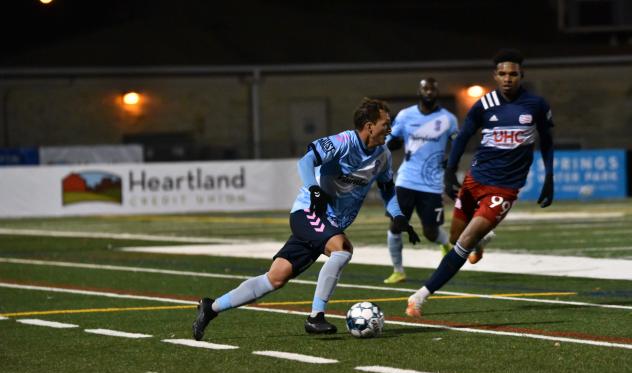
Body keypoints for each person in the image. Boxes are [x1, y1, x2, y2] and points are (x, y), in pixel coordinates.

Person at [192, 97, 420, 339]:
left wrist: (398, 215)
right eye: (386, 123)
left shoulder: (383, 155)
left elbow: (386, 188)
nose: (390, 128)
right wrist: (313, 189)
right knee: (342, 249)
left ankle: (211, 307)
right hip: (309, 213)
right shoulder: (343, 142)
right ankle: (315, 317)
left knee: (275, 278)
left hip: (328, 224)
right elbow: (306, 160)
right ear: (369, 125)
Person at [405, 48, 555, 317]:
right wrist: (451, 172)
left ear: (522, 75)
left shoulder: (536, 105)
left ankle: (420, 296)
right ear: (495, 76)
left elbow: (547, 141)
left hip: (504, 189)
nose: (508, 79)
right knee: (454, 239)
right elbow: (462, 137)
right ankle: (482, 240)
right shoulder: (484, 105)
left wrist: (549, 177)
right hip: (475, 180)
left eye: (513, 74)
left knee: (463, 242)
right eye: (502, 74)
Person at [383, 77, 458, 285]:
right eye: (425, 88)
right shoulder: (406, 115)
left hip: (432, 184)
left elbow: (457, 145)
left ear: (437, 92)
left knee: (430, 232)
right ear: (419, 91)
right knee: (396, 224)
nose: (429, 92)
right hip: (406, 180)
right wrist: (392, 144)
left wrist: (451, 167)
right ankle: (398, 271)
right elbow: (389, 141)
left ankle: (446, 247)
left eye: (432, 88)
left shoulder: (448, 119)